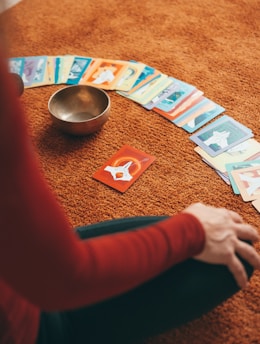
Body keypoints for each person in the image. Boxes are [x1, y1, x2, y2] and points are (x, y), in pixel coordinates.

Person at [0, 45, 260, 344]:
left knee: (220, 241)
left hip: (23, 270)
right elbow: (63, 280)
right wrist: (193, 231)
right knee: (230, 257)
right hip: (36, 325)